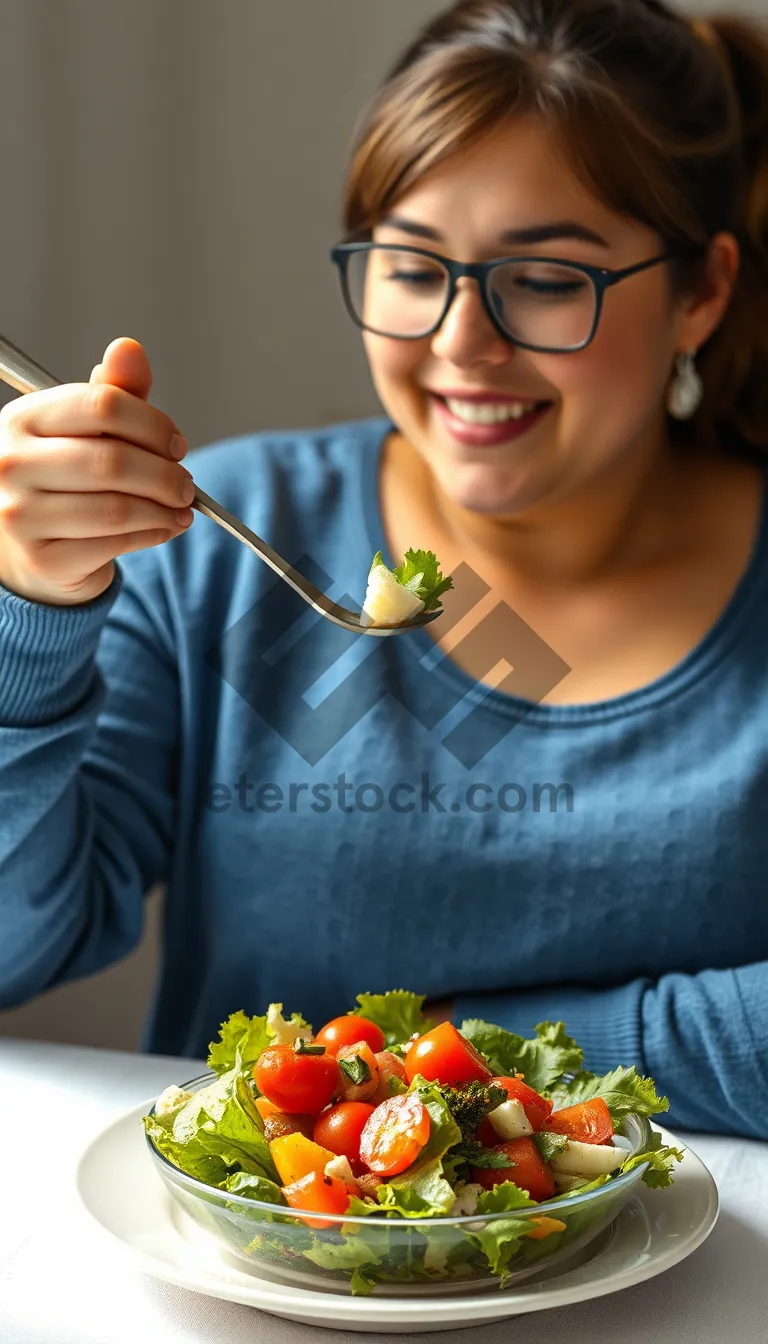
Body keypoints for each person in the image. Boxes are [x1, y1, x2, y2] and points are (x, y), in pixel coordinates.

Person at [1, 0, 767, 1139]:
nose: (462, 343)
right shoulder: (227, 539)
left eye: (549, 279)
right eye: (412, 268)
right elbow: (16, 948)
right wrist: (31, 616)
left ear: (700, 292)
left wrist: (471, 1057)